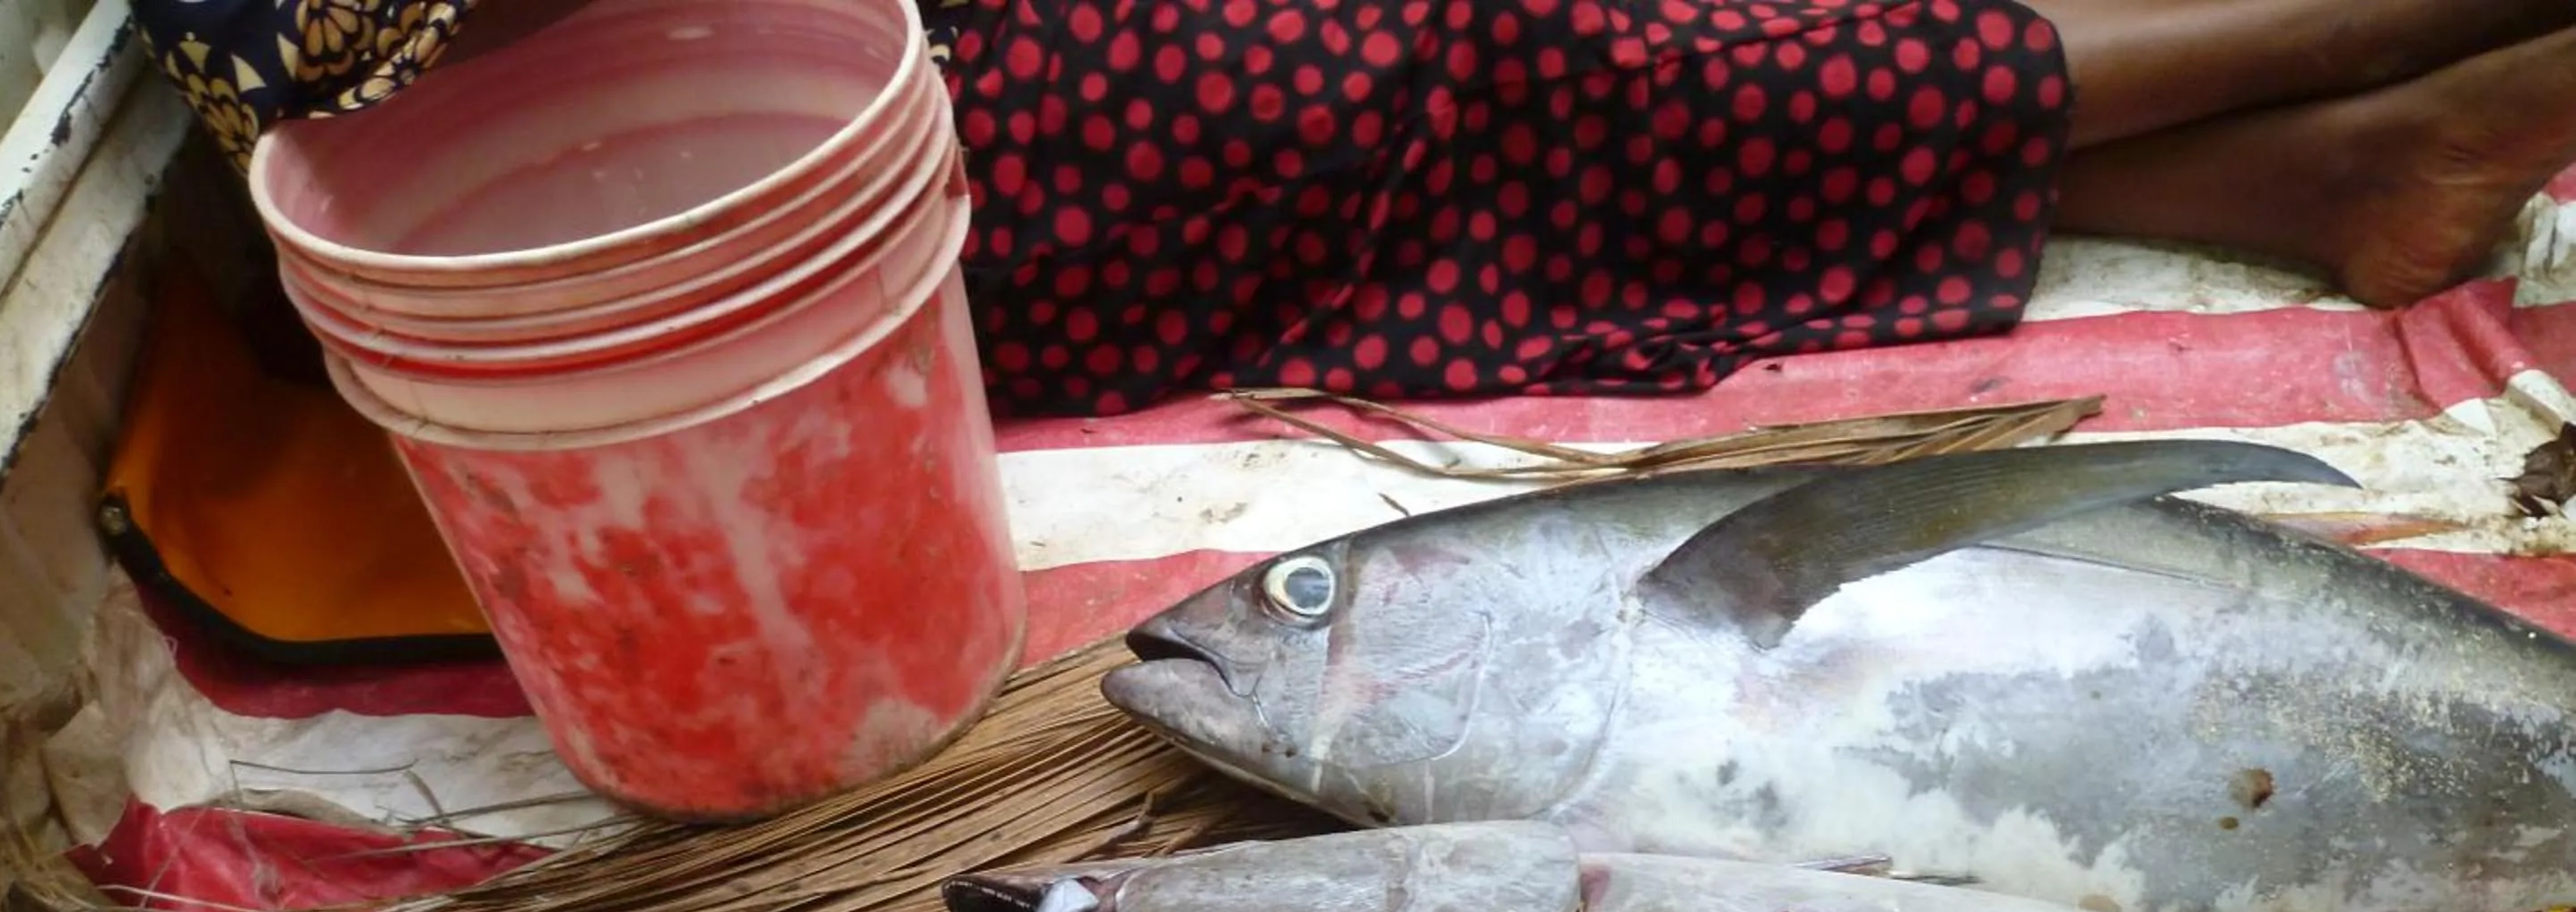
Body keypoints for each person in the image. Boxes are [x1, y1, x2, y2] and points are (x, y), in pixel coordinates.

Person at [135, 0, 2576, 416]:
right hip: (745, 235)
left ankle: (2319, 167)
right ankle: (2352, 47)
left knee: (1547, 88)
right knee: (1485, 60)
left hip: (832, 101)